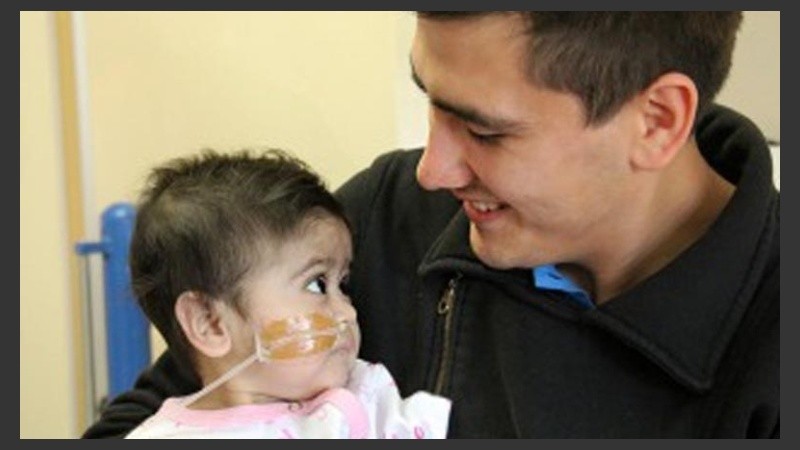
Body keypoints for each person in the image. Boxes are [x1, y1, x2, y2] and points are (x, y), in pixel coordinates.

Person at [83, 12, 779, 438]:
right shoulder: (383, 216)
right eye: (432, 102)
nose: (433, 170)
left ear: (656, 121)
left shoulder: (770, 350)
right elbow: (163, 409)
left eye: (484, 130)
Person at [119, 149, 450, 438]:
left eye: (343, 284)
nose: (348, 312)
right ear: (210, 323)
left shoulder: (361, 402)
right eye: (317, 284)